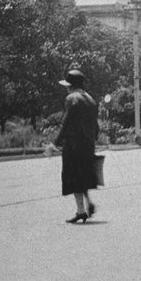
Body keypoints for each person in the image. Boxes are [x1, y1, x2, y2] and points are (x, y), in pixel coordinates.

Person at [53, 67, 100, 224]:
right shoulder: (90, 99)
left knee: (73, 177)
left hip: (73, 145)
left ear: (70, 85)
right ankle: (87, 204)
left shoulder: (71, 98)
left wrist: (56, 142)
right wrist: (94, 138)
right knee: (83, 176)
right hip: (88, 145)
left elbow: (67, 122)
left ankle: (81, 211)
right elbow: (95, 125)